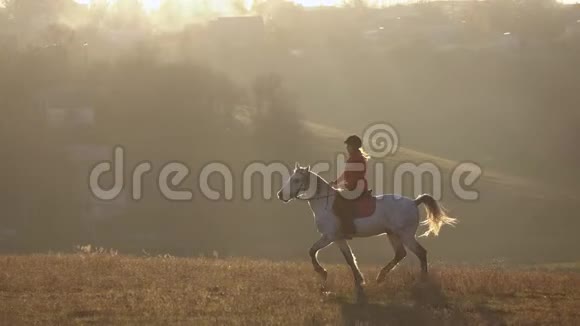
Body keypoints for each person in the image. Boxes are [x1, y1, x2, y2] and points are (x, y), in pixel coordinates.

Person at [330, 135, 370, 239]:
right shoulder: (353, 157)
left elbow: (355, 177)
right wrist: (336, 182)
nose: (347, 148)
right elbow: (346, 173)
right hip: (353, 187)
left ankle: (348, 230)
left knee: (342, 204)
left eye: (348, 146)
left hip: (356, 188)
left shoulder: (357, 158)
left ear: (354, 146)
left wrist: (345, 186)